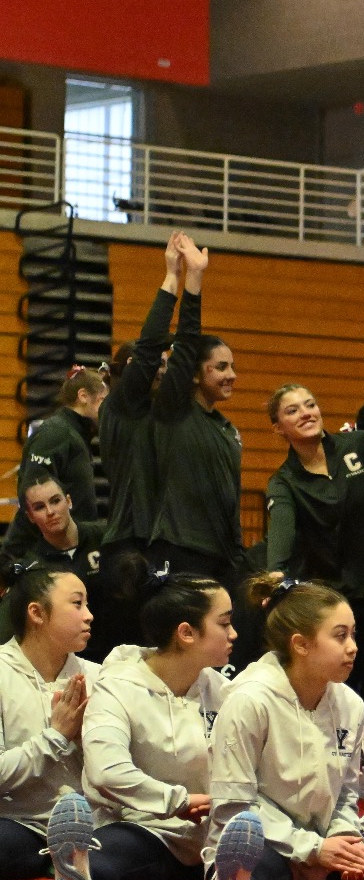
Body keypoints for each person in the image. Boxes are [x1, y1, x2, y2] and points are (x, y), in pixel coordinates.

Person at [49, 574, 235, 880]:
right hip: (143, 828)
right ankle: (76, 866)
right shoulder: (117, 687)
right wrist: (177, 800)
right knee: (104, 865)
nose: (233, 634)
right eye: (224, 623)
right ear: (186, 633)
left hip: (213, 834)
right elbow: (107, 772)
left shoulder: (223, 691)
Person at [204, 578, 364, 880]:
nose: (352, 647)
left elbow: (347, 794)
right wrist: (312, 849)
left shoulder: (351, 704)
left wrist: (345, 839)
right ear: (301, 644)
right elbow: (235, 803)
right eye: (340, 636)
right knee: (254, 871)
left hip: (324, 841)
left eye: (353, 634)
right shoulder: (249, 700)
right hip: (266, 842)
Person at [95, 238, 184, 650]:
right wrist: (171, 279)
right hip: (130, 543)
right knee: (130, 649)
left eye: (167, 366)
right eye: (155, 365)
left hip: (160, 538)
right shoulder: (120, 405)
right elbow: (149, 349)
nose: (161, 370)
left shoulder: (156, 414)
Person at [146, 235, 240, 581]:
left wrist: (239, 554)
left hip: (223, 557)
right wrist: (193, 279)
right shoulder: (174, 410)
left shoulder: (228, 429)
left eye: (231, 366)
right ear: (196, 374)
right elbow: (185, 344)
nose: (232, 375)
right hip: (178, 550)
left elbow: (230, 502)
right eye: (221, 367)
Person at [264, 383, 364, 659]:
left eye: (310, 405)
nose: (306, 413)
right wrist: (275, 575)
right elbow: (281, 530)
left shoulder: (360, 445)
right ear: (278, 427)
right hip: (330, 602)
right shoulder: (283, 483)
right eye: (293, 411)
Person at [0, 568, 95, 880]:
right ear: (36, 613)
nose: (89, 615)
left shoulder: (100, 675)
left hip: (92, 826)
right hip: (18, 822)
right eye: (77, 604)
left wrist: (85, 741)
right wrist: (56, 737)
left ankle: (66, 859)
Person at [4, 365, 106, 553]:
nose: (107, 412)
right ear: (83, 396)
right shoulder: (58, 433)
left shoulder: (75, 435)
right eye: (102, 401)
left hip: (64, 550)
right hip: (41, 553)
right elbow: (34, 495)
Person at [8, 470, 106, 583]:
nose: (50, 512)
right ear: (30, 516)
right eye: (39, 507)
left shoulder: (104, 537)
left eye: (55, 501)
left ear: (68, 501)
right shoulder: (34, 567)